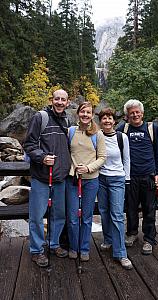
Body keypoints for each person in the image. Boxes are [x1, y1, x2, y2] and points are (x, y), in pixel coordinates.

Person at [24, 89, 71, 267]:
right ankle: (37, 250)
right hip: (41, 176)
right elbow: (28, 144)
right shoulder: (40, 117)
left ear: (68, 102)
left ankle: (54, 244)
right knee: (36, 215)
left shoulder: (67, 121)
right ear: (52, 100)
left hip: (60, 177)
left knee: (59, 214)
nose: (59, 102)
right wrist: (42, 157)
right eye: (57, 99)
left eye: (63, 99)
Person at [117, 99, 158, 255]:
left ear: (142, 113)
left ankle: (149, 239)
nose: (135, 114)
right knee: (130, 208)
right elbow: (108, 137)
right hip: (130, 177)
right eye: (132, 113)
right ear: (127, 115)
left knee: (149, 209)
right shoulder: (123, 129)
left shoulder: (152, 128)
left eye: (137, 112)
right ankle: (131, 234)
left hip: (149, 176)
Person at [66, 101, 106, 262]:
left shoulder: (98, 134)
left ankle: (84, 248)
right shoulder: (70, 131)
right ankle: (73, 247)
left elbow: (102, 157)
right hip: (72, 180)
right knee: (73, 216)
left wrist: (89, 168)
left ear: (92, 115)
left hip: (91, 181)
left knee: (87, 216)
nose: (85, 115)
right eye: (82, 112)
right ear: (78, 113)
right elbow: (66, 153)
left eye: (88, 112)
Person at [98, 108, 133, 270]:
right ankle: (108, 239)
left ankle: (121, 253)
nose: (107, 121)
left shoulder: (122, 137)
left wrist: (126, 180)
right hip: (100, 179)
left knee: (117, 215)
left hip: (117, 179)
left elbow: (127, 159)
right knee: (104, 211)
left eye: (109, 118)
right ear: (100, 121)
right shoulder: (97, 136)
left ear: (114, 121)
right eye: (104, 118)